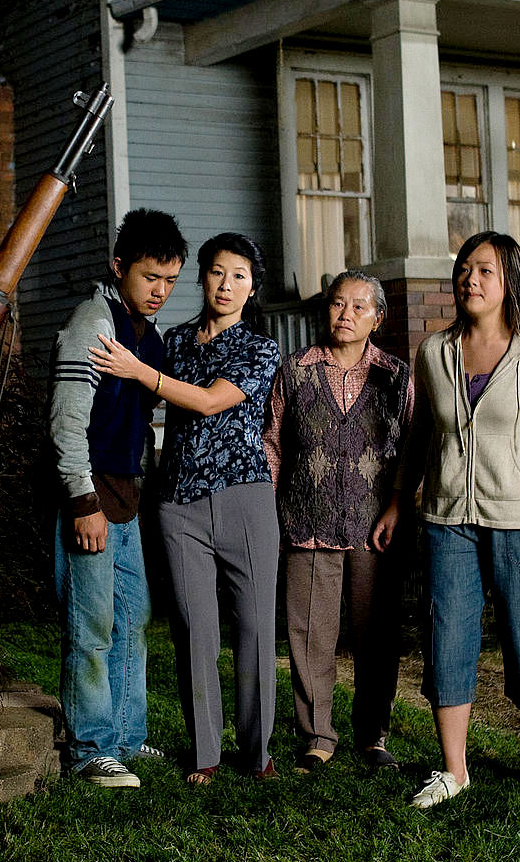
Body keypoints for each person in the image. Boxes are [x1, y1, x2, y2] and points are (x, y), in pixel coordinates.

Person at [374, 230, 520, 812]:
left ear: (508, 282)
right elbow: (420, 437)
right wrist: (398, 499)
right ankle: (454, 771)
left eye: (484, 270)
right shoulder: (434, 352)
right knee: (448, 639)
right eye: (464, 268)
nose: (470, 278)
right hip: (447, 522)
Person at [90, 232, 280, 784]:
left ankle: (257, 749)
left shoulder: (259, 348)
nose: (227, 284)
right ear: (203, 278)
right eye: (217, 272)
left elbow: (209, 400)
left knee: (253, 628)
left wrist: (140, 373)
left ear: (252, 287)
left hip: (245, 499)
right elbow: (139, 401)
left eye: (239, 275)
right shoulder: (172, 341)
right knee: (195, 628)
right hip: (178, 505)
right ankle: (205, 754)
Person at [49, 208, 186, 788]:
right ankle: (90, 748)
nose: (160, 291)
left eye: (170, 281)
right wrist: (82, 502)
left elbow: (136, 415)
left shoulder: (146, 335)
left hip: (128, 496)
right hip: (92, 495)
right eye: (150, 277)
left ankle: (127, 737)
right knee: (94, 623)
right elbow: (66, 420)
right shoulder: (93, 322)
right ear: (119, 267)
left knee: (133, 617)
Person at [263, 270, 412, 774]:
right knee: (309, 635)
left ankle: (372, 736)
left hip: (377, 528)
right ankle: (317, 737)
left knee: (376, 635)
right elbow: (273, 445)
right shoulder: (296, 370)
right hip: (308, 519)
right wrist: (269, 512)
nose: (344, 314)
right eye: (336, 304)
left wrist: (397, 505)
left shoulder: (396, 377)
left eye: (357, 306)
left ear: (377, 318)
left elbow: (413, 451)